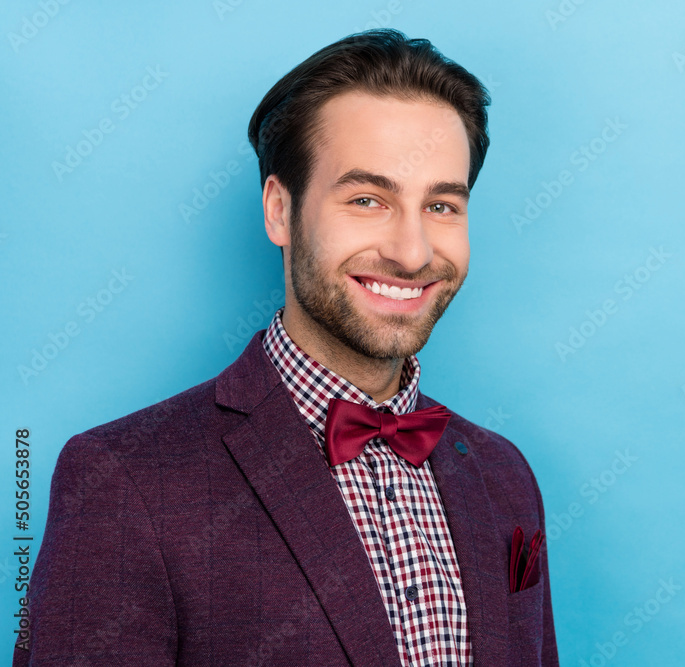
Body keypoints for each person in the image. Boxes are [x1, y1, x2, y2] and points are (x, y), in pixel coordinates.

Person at [15, 29, 557, 666]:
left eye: (441, 205)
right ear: (279, 210)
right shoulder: (122, 481)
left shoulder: (504, 475)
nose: (413, 253)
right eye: (366, 199)